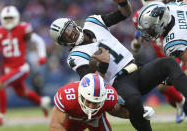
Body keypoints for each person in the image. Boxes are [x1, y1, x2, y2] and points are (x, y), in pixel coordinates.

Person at [49, 0, 187, 130]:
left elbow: (124, 13)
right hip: (119, 83)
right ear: (63, 42)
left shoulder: (93, 22)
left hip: (137, 70)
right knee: (134, 103)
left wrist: (123, 3)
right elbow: (92, 84)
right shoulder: (75, 56)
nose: (71, 34)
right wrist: (103, 65)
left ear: (73, 24)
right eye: (65, 36)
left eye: (69, 29)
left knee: (168, 63)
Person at [0, 5, 50, 126]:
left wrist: (42, 55)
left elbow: (38, 40)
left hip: (21, 68)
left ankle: (2, 117)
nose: (8, 20)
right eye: (6, 18)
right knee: (22, 93)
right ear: (2, 18)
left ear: (16, 17)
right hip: (8, 69)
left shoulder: (23, 28)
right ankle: (42, 101)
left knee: (0, 84)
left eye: (10, 18)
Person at [131, 0, 185, 123]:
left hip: (177, 52)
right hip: (164, 57)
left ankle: (182, 102)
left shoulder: (168, 10)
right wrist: (137, 42)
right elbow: (141, 32)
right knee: (170, 97)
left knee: (164, 87)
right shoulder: (139, 16)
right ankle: (181, 103)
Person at [49, 73, 155, 131]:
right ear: (80, 94)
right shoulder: (67, 96)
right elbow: (55, 126)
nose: (91, 106)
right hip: (73, 120)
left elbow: (119, 112)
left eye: (95, 102)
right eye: (88, 101)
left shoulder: (109, 95)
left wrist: (138, 112)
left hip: (97, 119)